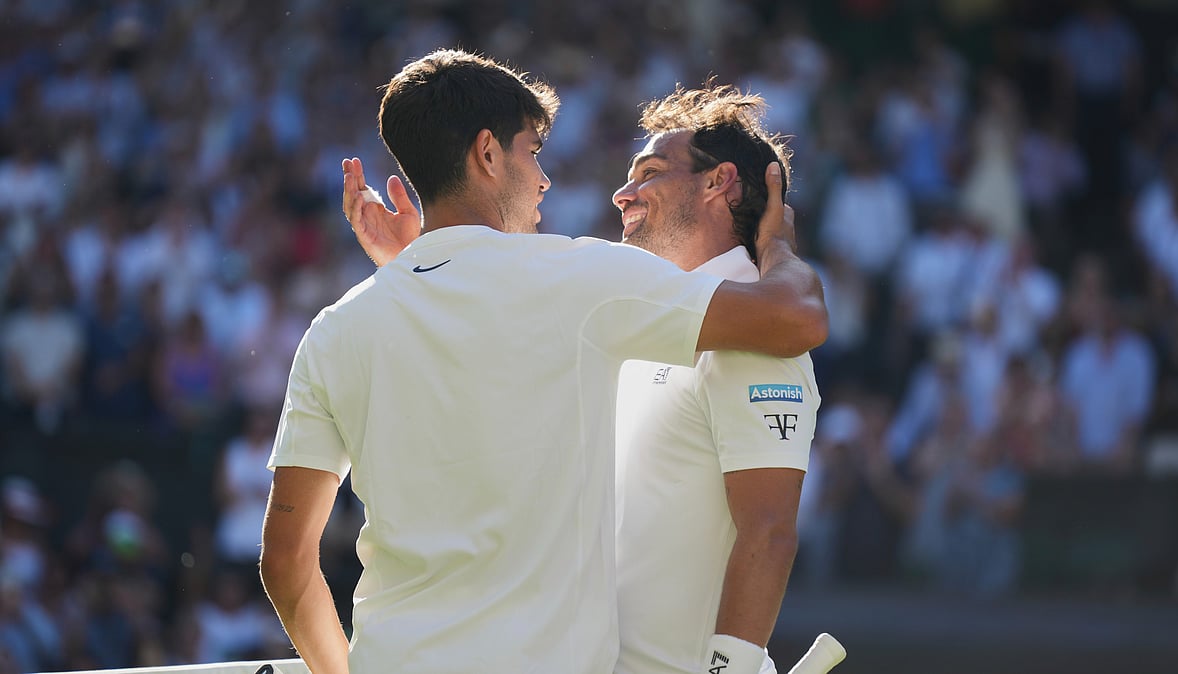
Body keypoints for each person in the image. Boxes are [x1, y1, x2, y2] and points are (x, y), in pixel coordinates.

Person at [259, 49, 827, 674]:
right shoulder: (582, 282)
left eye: (651, 172)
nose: (545, 177)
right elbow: (797, 316)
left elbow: (285, 564)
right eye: (532, 151)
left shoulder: (336, 329)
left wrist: (414, 273)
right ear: (488, 154)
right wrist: (777, 246)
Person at [609, 84, 821, 674]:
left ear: (717, 182)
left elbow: (770, 529)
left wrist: (725, 670)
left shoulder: (759, 334)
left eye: (648, 172)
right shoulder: (656, 320)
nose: (622, 192)